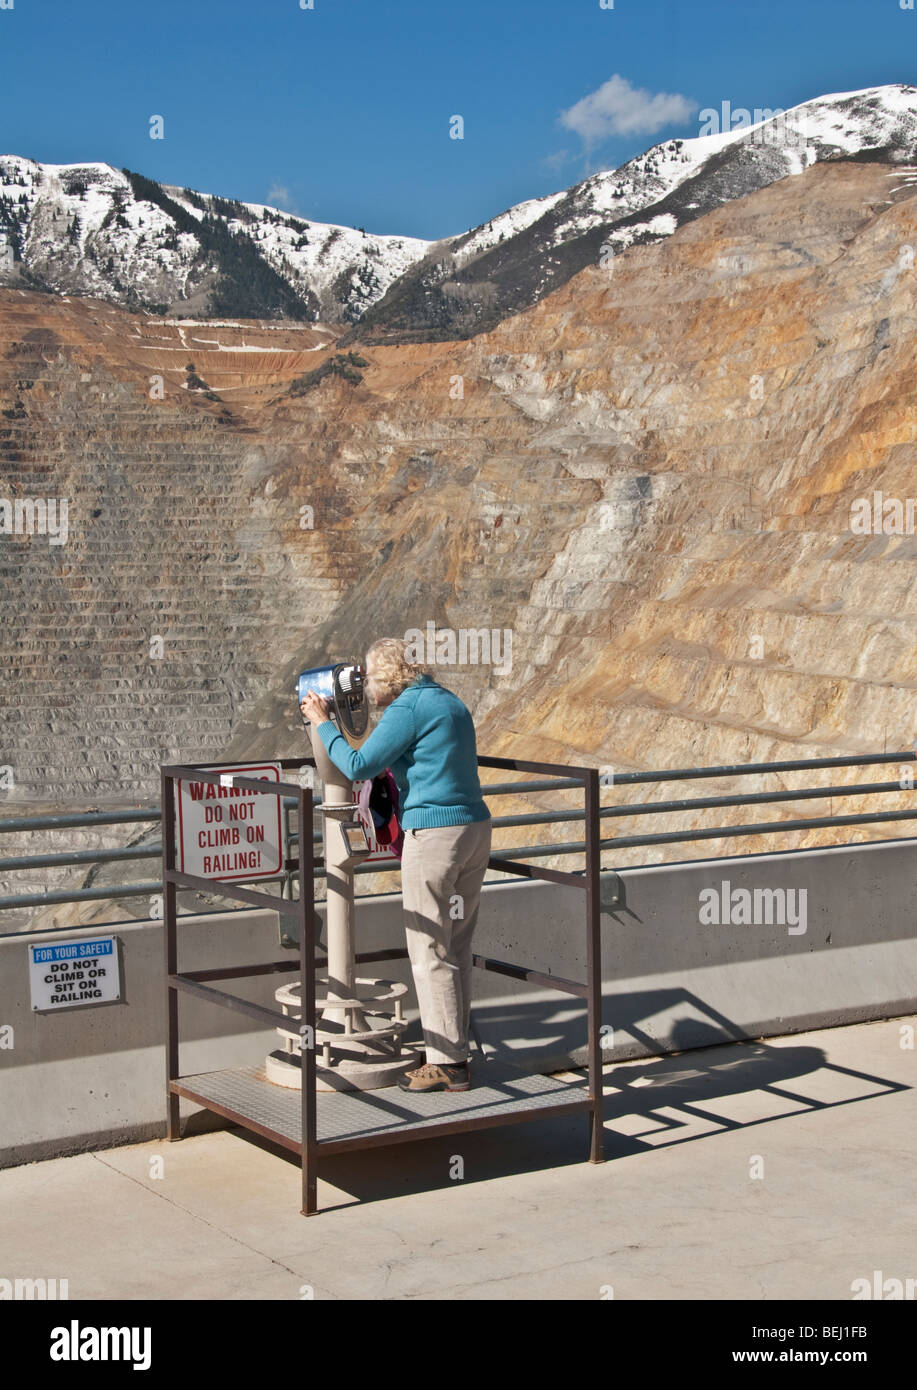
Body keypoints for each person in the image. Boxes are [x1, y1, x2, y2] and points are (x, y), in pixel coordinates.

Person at [300, 638, 492, 1093]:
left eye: (370, 679)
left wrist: (323, 723)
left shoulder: (408, 708)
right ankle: (456, 1049)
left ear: (389, 677)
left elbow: (359, 764)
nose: (365, 690)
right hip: (473, 830)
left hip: (433, 838)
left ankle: (447, 1062)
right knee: (456, 945)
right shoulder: (448, 701)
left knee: (429, 949)